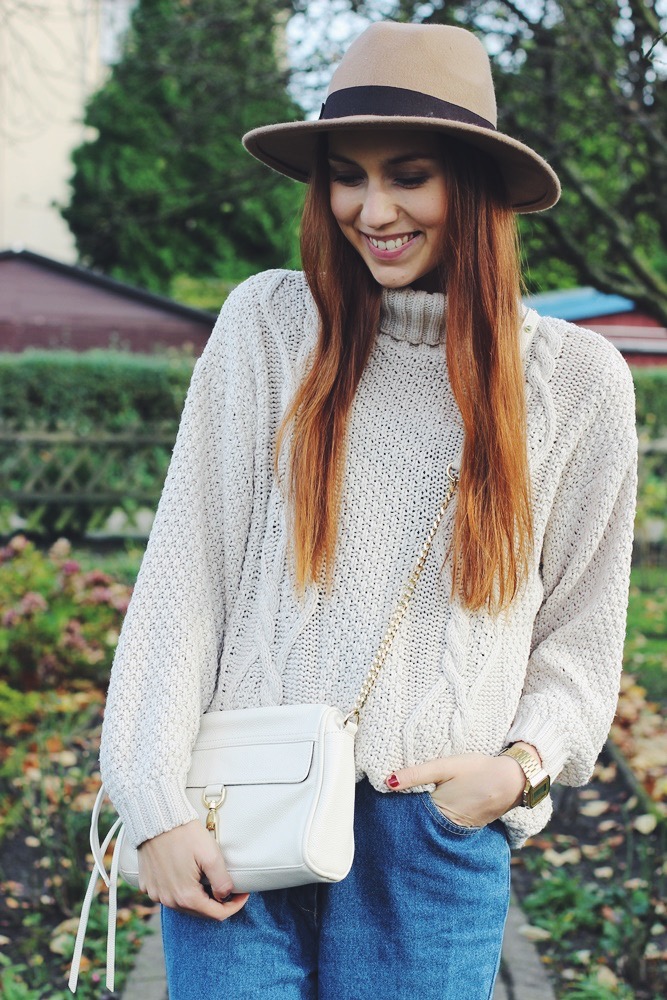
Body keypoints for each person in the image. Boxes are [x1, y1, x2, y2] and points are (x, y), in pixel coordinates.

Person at [98, 20, 637, 1000]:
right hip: (239, 803)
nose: (371, 209)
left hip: (428, 832)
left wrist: (514, 772)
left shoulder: (575, 382)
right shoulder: (269, 326)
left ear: (473, 185)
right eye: (346, 176)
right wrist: (152, 803)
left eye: (409, 175)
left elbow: (580, 636)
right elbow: (186, 577)